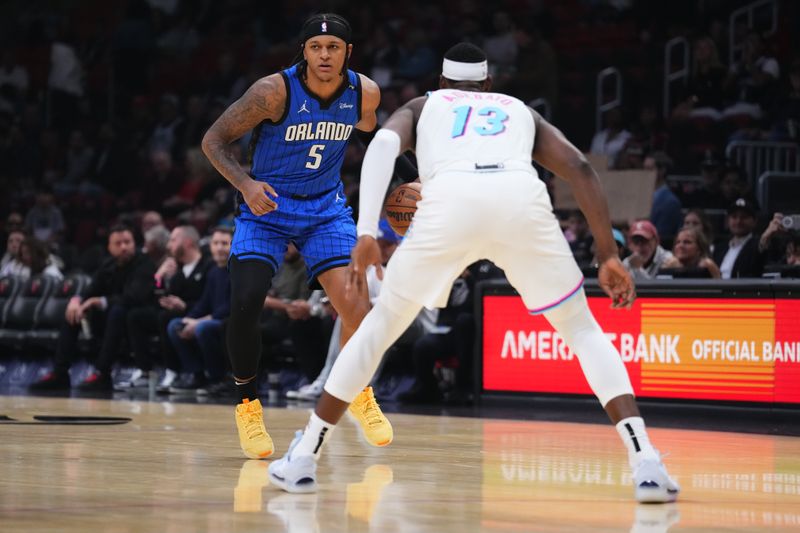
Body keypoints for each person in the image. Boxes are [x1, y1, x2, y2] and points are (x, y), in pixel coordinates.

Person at [269, 43, 680, 504]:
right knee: (583, 330)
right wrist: (607, 254)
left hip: (450, 203)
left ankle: (304, 455)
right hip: (519, 198)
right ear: (488, 85)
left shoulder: (425, 105)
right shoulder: (520, 110)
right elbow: (579, 168)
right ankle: (645, 461)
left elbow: (383, 143)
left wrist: (367, 230)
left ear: (442, 84)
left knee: (378, 328)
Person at [201, 13, 405, 459]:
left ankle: (357, 393)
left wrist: (410, 182)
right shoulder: (272, 91)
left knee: (359, 308)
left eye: (333, 48)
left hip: (324, 210)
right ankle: (248, 405)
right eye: (316, 47)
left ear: (348, 52)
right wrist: (246, 185)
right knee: (246, 300)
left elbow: (376, 136)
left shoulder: (365, 93)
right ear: (305, 51)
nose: (325, 55)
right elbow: (213, 141)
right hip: (267, 207)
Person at [29, 225, 155, 391]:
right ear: (110, 247)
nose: (124, 247)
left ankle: (103, 373)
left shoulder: (144, 263)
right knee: (73, 312)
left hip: (135, 321)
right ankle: (60, 373)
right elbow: (90, 290)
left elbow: (135, 297)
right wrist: (76, 300)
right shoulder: (108, 264)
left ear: (134, 243)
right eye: (118, 243)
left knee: (118, 311)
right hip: (109, 321)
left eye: (127, 242)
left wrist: (101, 301)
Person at [167, 227, 232, 395]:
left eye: (225, 243)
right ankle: (197, 375)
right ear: (210, 246)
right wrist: (189, 319)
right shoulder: (213, 272)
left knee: (203, 328)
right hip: (213, 320)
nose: (219, 248)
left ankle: (219, 379)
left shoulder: (239, 270)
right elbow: (204, 302)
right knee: (176, 325)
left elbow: (231, 306)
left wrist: (198, 321)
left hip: (231, 322)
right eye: (216, 243)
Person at [713, 197, 765, 278]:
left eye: (744, 217)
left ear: (754, 221)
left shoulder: (757, 245)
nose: (738, 221)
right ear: (727, 221)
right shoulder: (719, 248)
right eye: (734, 217)